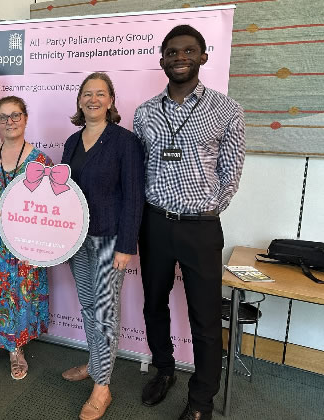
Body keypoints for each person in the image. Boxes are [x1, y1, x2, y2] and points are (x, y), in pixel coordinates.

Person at [134, 25, 245, 420]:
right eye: (172, 51)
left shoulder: (226, 109)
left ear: (203, 56)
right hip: (156, 225)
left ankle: (201, 402)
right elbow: (141, 167)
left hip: (200, 227)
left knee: (205, 317)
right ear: (162, 58)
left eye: (189, 50)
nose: (180, 57)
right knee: (153, 306)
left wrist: (210, 205)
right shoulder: (145, 111)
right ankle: (164, 370)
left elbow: (232, 170)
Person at [60, 72, 145, 420]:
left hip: (111, 241)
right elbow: (63, 193)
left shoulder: (125, 142)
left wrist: (126, 245)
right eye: (87, 94)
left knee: (104, 314)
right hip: (77, 241)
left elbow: (133, 198)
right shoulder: (70, 142)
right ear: (80, 100)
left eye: (100, 94)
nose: (93, 99)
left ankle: (102, 386)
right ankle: (96, 363)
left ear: (111, 101)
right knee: (87, 306)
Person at [0, 96, 53, 380]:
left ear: (25, 119)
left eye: (16, 116)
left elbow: (50, 207)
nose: (10, 122)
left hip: (24, 244)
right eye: (3, 117)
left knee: (20, 293)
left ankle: (16, 348)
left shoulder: (40, 161)